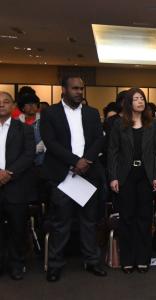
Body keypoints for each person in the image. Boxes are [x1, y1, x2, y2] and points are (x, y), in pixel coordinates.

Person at [40, 76, 107, 282]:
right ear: (64, 89)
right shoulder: (50, 113)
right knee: (61, 222)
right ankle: (55, 264)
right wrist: (74, 161)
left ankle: (92, 261)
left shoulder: (92, 113)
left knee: (89, 222)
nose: (79, 92)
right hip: (63, 176)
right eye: (75, 88)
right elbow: (50, 142)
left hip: (87, 174)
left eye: (81, 88)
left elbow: (99, 139)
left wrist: (86, 161)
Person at [107, 88, 156, 273]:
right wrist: (113, 176)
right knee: (127, 218)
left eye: (142, 99)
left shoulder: (152, 124)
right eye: (136, 99)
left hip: (146, 176)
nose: (140, 101)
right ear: (128, 103)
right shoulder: (119, 124)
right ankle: (127, 260)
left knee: (145, 218)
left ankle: (143, 259)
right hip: (126, 175)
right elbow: (113, 152)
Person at [0, 92, 35, 280]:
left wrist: (7, 173)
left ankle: (16, 265)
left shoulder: (24, 129)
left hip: (16, 186)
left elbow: (29, 156)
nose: (2, 105)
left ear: (13, 105)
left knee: (17, 229)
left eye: (6, 102)